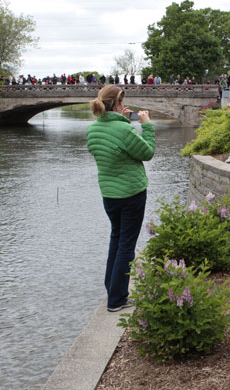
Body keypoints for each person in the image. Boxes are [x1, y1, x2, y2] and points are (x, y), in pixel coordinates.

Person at [86, 85, 155, 312]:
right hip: (131, 193)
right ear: (117, 104)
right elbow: (147, 152)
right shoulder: (124, 130)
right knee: (127, 244)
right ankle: (117, 299)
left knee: (116, 239)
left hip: (109, 194)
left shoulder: (93, 129)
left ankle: (112, 290)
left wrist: (124, 122)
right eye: (122, 102)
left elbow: (115, 149)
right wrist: (146, 126)